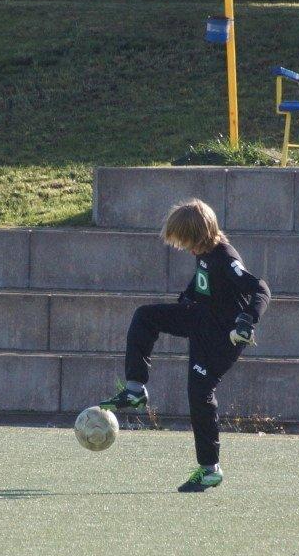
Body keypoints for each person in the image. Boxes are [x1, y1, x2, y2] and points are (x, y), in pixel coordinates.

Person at [100, 199, 270, 492]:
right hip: (200, 319)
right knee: (145, 317)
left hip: (222, 336)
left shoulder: (226, 257)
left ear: (201, 236)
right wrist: (188, 297)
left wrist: (247, 320)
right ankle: (135, 389)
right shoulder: (204, 253)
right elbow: (203, 279)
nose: (184, 248)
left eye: (186, 241)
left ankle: (209, 470)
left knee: (200, 393)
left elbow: (260, 289)